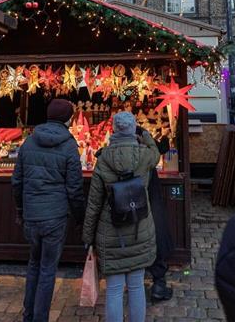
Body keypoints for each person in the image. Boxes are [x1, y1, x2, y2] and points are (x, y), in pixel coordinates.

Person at [12, 98, 85, 322]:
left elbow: (17, 181)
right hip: (55, 216)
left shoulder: (29, 142)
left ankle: (28, 315)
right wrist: (80, 216)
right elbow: (74, 187)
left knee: (34, 264)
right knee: (47, 269)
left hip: (32, 216)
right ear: (68, 119)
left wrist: (21, 210)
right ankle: (40, 317)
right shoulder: (69, 145)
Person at [83, 112, 160, 322]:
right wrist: (146, 136)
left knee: (115, 289)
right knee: (136, 286)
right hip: (139, 227)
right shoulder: (145, 156)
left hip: (111, 231)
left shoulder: (103, 158)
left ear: (114, 130)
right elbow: (156, 153)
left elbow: (94, 203)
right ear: (133, 129)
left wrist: (88, 237)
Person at [136, 125, 173, 303]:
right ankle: (158, 282)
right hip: (150, 205)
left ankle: (132, 283)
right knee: (155, 236)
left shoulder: (110, 156)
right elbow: (159, 150)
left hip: (125, 213)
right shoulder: (149, 157)